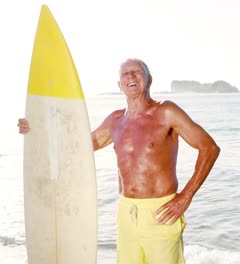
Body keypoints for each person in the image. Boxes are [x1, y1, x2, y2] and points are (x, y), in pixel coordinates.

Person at [17, 58, 221, 264]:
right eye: (125, 74)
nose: (131, 76)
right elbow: (77, 146)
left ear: (149, 80)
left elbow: (209, 148)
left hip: (160, 212)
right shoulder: (115, 121)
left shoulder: (166, 112)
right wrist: (37, 130)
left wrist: (185, 197)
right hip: (126, 213)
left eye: (136, 72)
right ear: (119, 85)